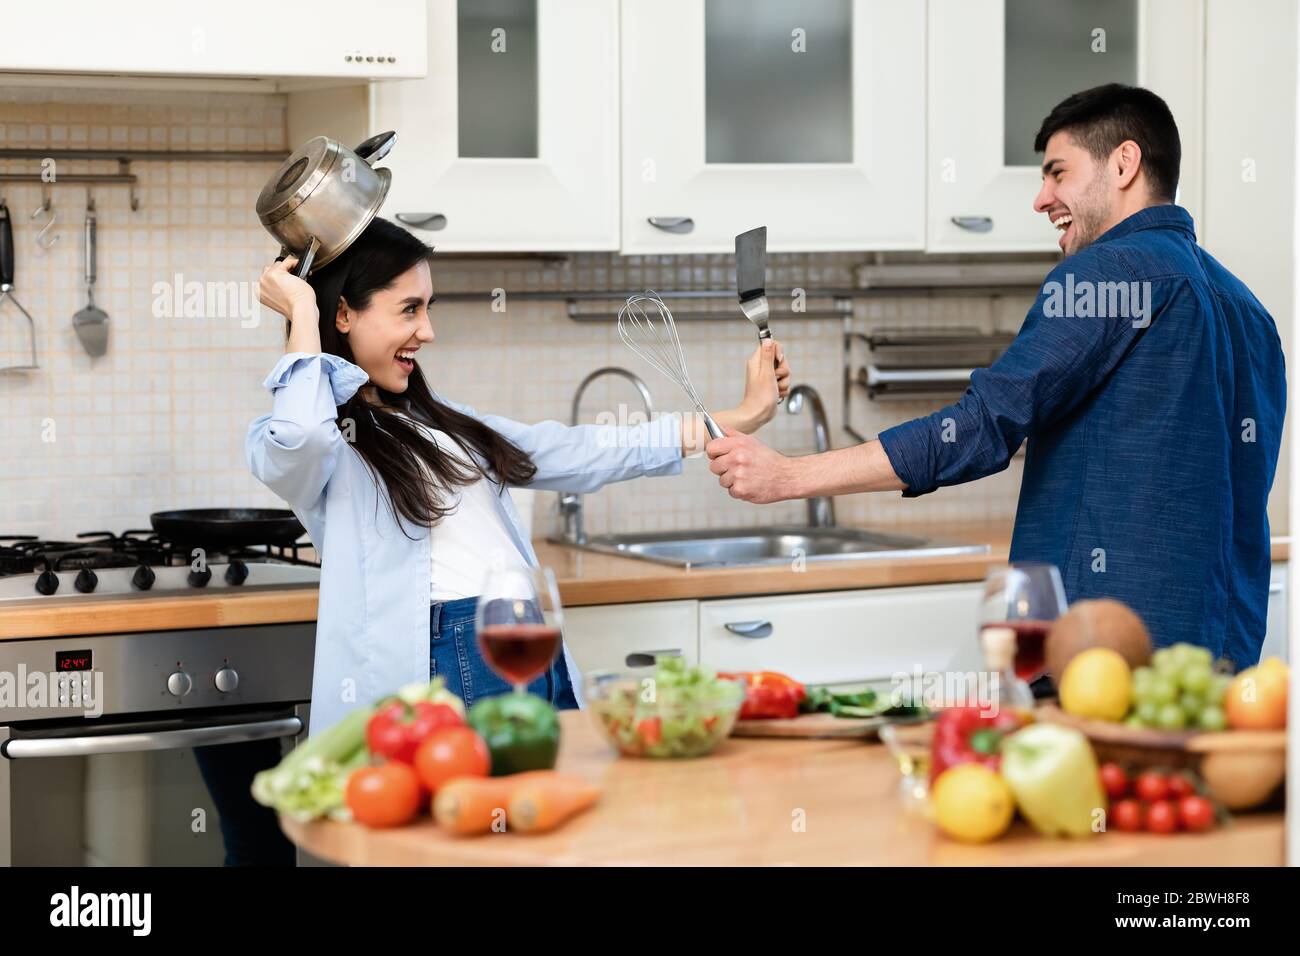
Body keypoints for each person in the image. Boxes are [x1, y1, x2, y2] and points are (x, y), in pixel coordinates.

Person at [706, 83, 1286, 670]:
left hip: (1104, 659)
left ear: (1124, 162)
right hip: (1218, 665)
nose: (1041, 198)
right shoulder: (1249, 311)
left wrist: (788, 475)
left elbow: (981, 427)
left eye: (1058, 173)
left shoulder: (1106, 275)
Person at [250, 216, 790, 736]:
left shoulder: (434, 418)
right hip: (456, 656)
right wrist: (302, 310)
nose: (428, 331)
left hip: (523, 638)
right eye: (409, 310)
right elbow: (303, 434)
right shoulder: (305, 441)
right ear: (342, 314)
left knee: (542, 815)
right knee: (492, 821)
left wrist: (737, 419)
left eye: (428, 308)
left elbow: (574, 451)